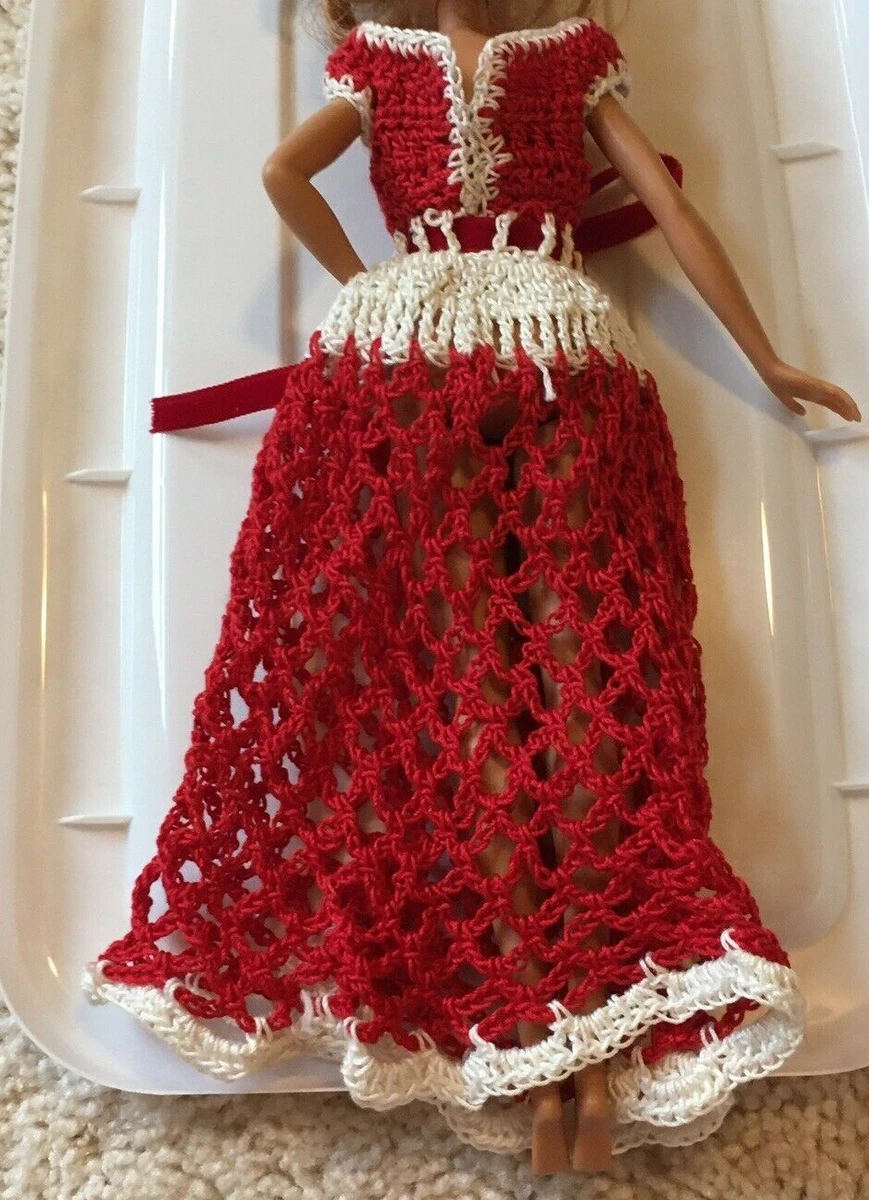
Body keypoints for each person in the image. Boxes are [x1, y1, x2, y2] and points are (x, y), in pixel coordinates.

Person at [84, 0, 860, 1176]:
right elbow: (283, 172)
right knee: (472, 675)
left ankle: (575, 1026)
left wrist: (767, 357)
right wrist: (371, 282)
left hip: (515, 354)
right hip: (468, 349)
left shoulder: (564, 61)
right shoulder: (392, 64)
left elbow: (668, 209)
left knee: (568, 671)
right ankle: (530, 1026)